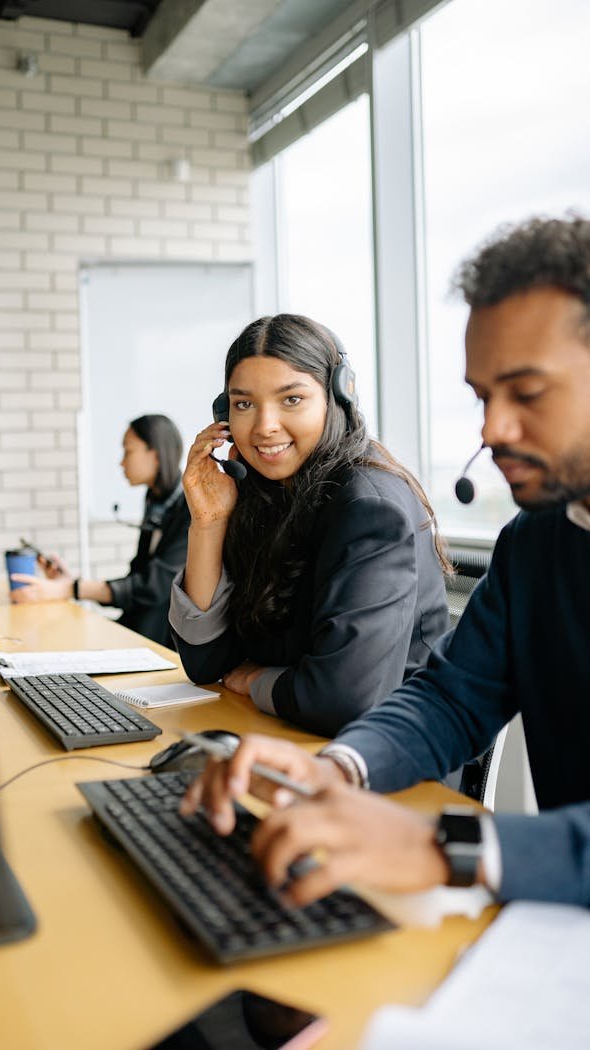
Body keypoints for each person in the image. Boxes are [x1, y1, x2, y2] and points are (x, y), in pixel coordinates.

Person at [182, 215, 590, 908]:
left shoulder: (374, 500)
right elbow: (451, 699)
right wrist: (339, 769)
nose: (491, 430)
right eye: (482, 397)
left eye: (526, 393)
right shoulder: (536, 543)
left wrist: (450, 847)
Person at [169, 314, 450, 737]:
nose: (264, 426)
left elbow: (343, 700)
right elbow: (205, 663)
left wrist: (256, 680)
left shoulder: (370, 507)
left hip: (383, 766)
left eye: (291, 400)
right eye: (244, 404)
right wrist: (208, 522)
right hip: (291, 741)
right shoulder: (263, 496)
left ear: (336, 398)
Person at [11, 414, 189, 648]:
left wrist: (71, 589)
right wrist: (71, 583)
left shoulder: (190, 505)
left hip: (167, 639)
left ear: (155, 454)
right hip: (142, 626)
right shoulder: (155, 500)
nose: (121, 463)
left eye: (128, 451)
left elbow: (154, 586)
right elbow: (138, 574)